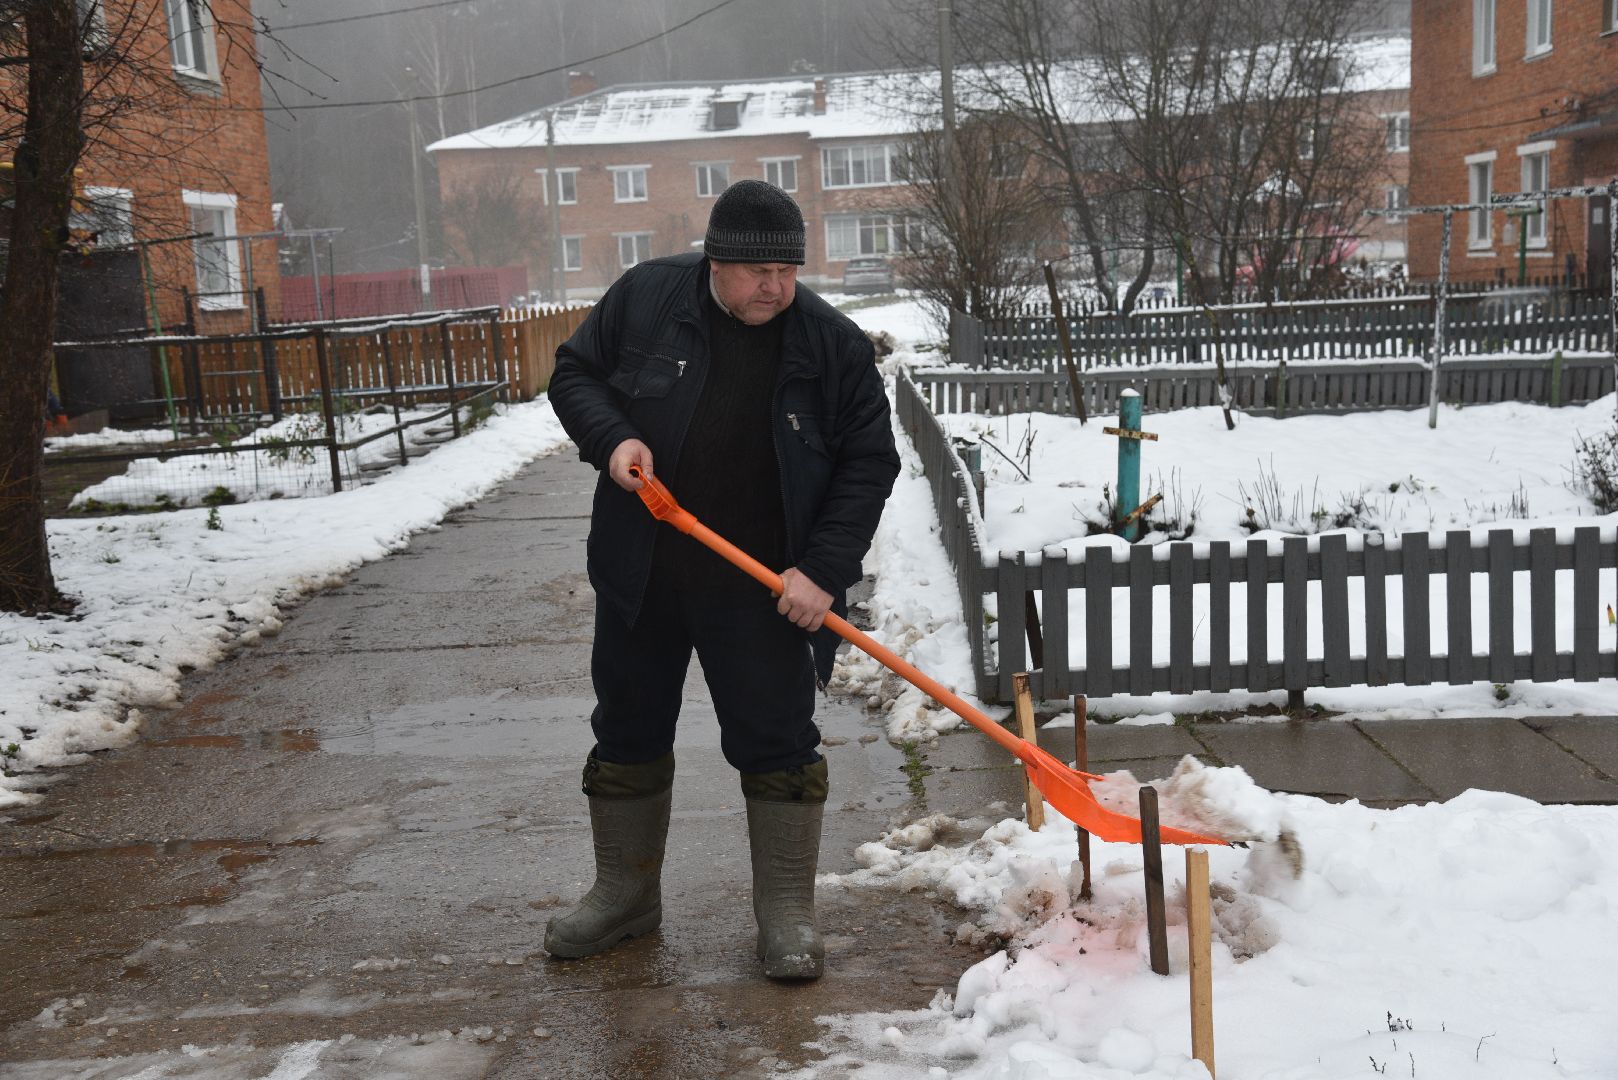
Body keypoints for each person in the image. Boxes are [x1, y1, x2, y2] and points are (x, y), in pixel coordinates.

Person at [545, 179, 900, 980]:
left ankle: (785, 911)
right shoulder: (647, 299)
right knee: (628, 730)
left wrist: (821, 570)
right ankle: (624, 895)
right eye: (756, 270)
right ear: (715, 260)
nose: (774, 286)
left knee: (776, 740)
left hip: (764, 583)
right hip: (644, 569)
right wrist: (614, 441)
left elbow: (868, 463)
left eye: (788, 268)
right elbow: (575, 376)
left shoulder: (830, 344)